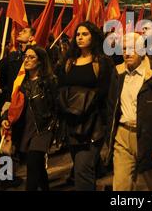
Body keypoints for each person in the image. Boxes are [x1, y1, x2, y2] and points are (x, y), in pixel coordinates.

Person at [105, 32, 152, 191]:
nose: (127, 52)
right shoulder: (117, 73)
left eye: (132, 48)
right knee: (121, 186)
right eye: (124, 48)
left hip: (149, 137)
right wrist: (110, 136)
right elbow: (112, 107)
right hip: (123, 137)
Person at [58, 22, 113, 190]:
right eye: (78, 34)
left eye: (85, 34)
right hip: (72, 123)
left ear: (94, 37)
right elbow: (60, 88)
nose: (80, 37)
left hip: (93, 125)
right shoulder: (68, 62)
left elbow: (106, 93)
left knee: (82, 170)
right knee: (84, 169)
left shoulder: (102, 63)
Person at [1, 46, 58, 191]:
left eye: (31, 57)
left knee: (32, 165)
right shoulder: (21, 83)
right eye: (25, 56)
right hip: (27, 129)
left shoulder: (49, 81)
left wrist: (56, 129)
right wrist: (5, 118)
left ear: (40, 61)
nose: (26, 60)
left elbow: (57, 106)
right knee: (38, 167)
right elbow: (11, 104)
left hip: (44, 129)